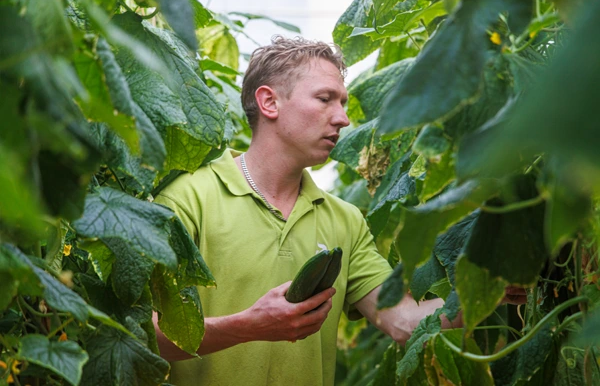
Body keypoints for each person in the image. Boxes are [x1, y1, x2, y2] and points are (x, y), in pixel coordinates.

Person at [152, 36, 526, 386]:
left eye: (343, 103)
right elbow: (145, 335)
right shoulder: (187, 199)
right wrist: (249, 325)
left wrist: (488, 287)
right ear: (269, 102)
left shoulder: (345, 219)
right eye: (325, 99)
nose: (343, 119)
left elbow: (406, 323)